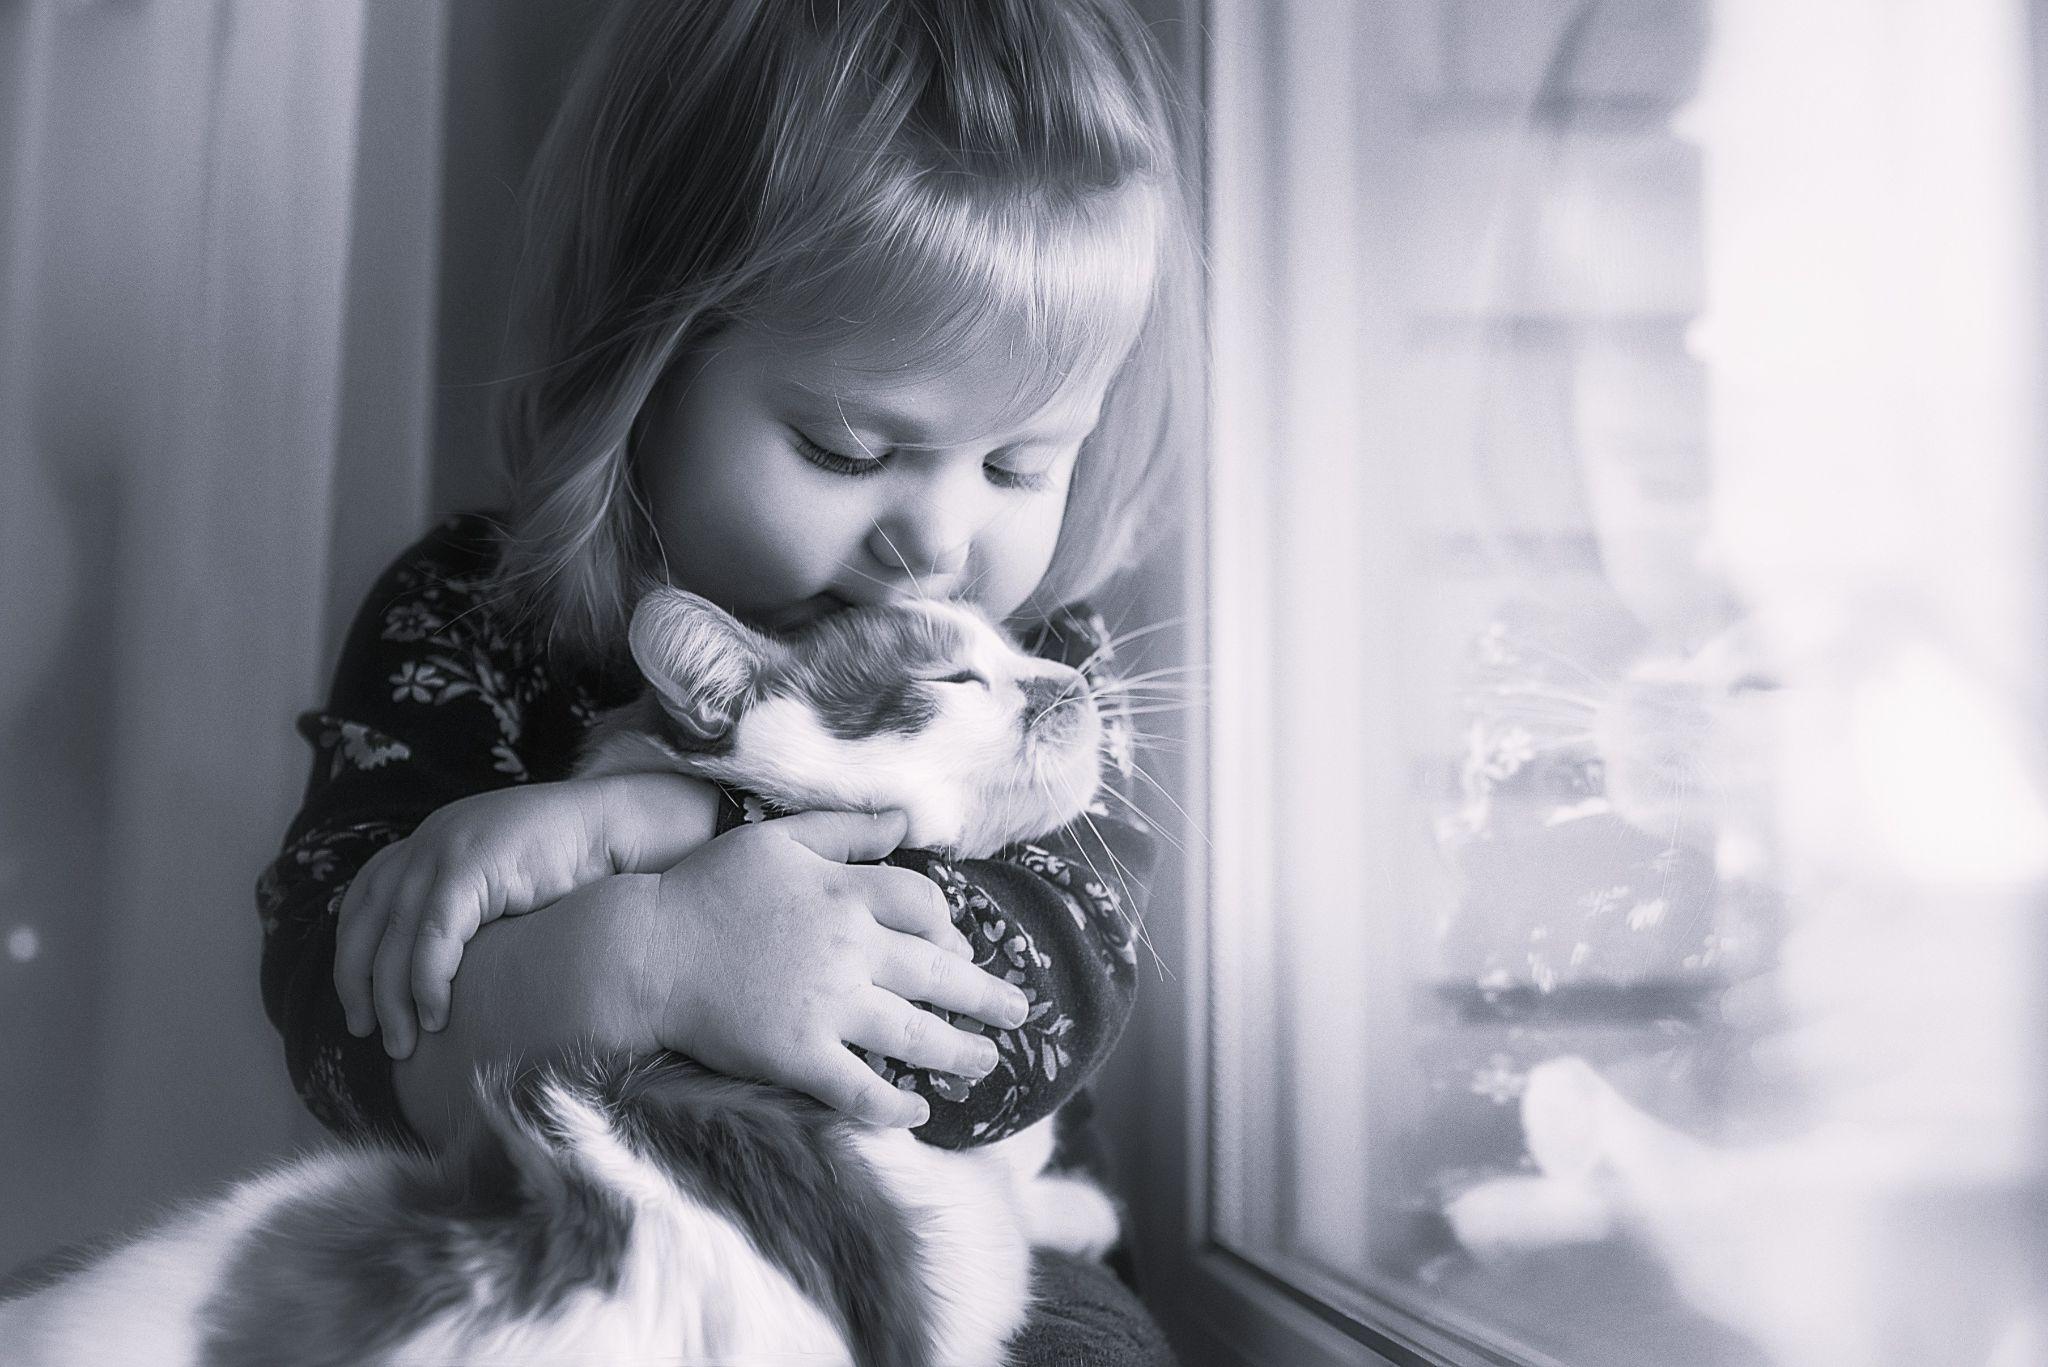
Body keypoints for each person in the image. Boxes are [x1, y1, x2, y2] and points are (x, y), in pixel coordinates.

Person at [256, 0, 1196, 1359]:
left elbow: (1033, 1021)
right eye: (847, 450)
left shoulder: (1044, 667)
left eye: (1016, 466)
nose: (933, 544)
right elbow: (341, 1028)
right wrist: (634, 962)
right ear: (642, 369)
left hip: (950, 1248)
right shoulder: (469, 619)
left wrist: (667, 826)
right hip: (564, 1234)